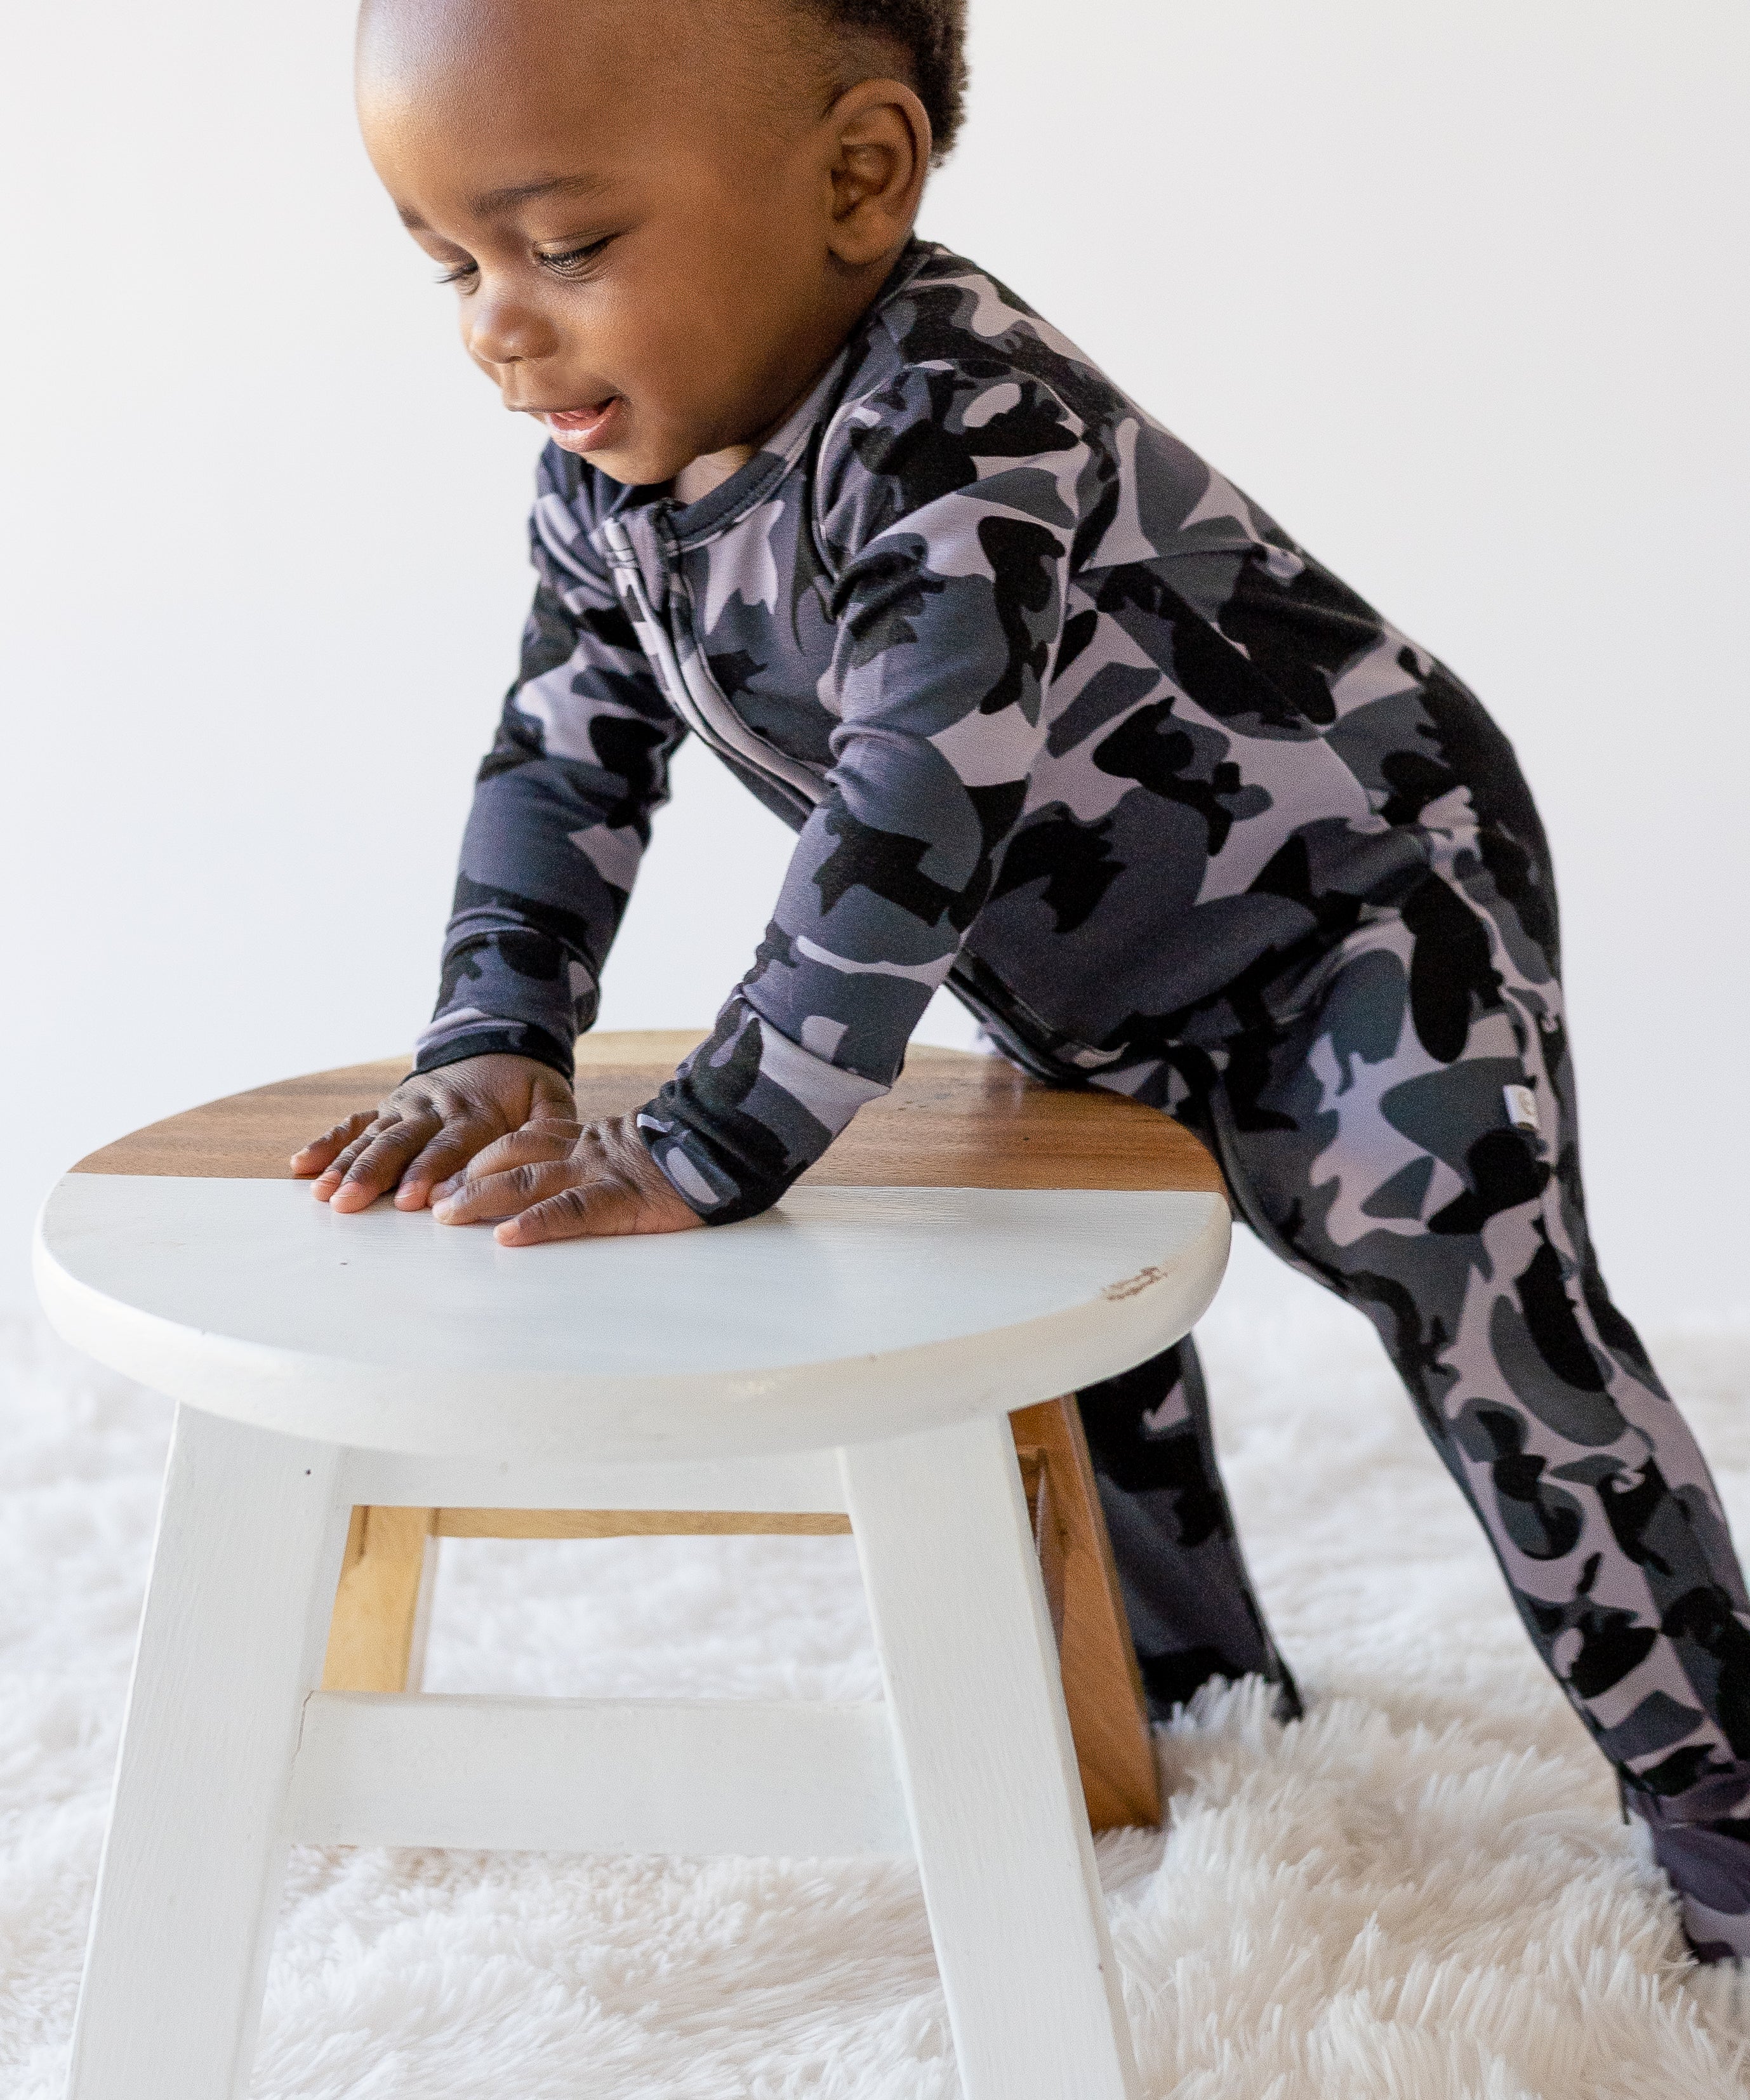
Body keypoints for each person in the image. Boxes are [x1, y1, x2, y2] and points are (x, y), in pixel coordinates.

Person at [293, 0, 1750, 1959]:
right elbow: (562, 762)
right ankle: (1192, 1701)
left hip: (1366, 910)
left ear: (857, 177)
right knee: (1074, 1333)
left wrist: (715, 1136)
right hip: (1087, 970)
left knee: (1489, 1318)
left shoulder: (964, 423)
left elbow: (911, 810)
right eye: (451, 265)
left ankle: (1722, 1795)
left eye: (564, 247)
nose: (498, 327)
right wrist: (497, 1032)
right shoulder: (610, 487)